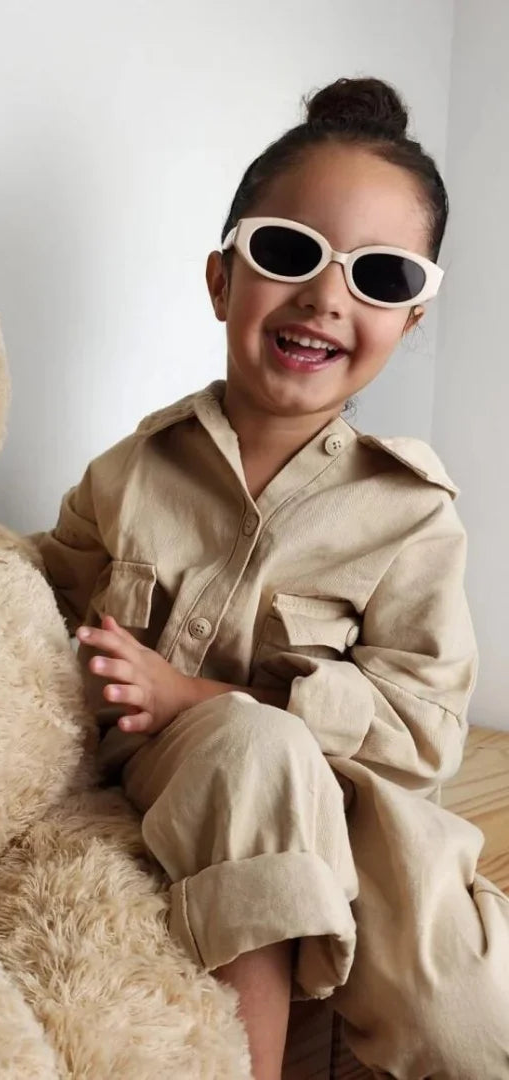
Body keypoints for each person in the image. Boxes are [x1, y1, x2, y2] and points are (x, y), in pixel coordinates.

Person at [32, 77, 509, 1080]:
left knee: (469, 1022)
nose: (327, 298)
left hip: (356, 813)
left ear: (411, 319)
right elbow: (39, 612)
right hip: (189, 783)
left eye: (378, 277)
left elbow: (425, 736)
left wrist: (208, 691)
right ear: (222, 280)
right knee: (251, 746)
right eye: (289, 254)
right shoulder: (127, 476)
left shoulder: (411, 512)